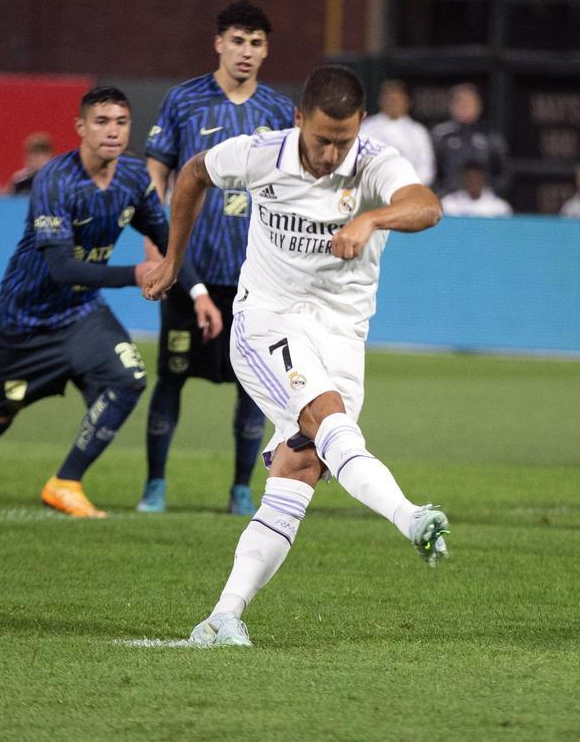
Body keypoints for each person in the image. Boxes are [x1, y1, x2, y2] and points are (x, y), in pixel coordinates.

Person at [140, 65, 451, 647]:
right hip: (268, 320)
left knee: (301, 466)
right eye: (323, 139)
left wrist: (371, 217)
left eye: (344, 140)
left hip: (341, 333)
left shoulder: (373, 163)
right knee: (326, 418)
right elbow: (193, 173)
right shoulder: (261, 154)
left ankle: (222, 617)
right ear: (299, 118)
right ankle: (410, 516)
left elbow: (426, 205)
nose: (332, 154)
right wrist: (174, 260)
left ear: (360, 125)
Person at [0, 86, 201, 516]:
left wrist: (197, 292)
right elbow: (62, 268)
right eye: (102, 122)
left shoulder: (133, 177)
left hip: (82, 314)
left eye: (121, 122)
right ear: (81, 127)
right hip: (25, 320)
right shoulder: (56, 180)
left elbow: (166, 239)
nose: (113, 131)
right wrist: (134, 274)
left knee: (128, 379)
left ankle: (65, 482)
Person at [137, 0, 296, 516]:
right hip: (189, 269)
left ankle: (241, 490)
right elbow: (157, 172)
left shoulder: (279, 111)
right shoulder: (183, 100)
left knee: (254, 386)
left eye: (256, 43)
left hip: (256, 275)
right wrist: (155, 245)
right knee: (172, 375)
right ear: (219, 44)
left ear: (266, 50)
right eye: (237, 40)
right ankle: (154, 486)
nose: (246, 51)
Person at [431, 83, 510, 197]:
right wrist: (441, 194)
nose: (464, 105)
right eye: (460, 102)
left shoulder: (490, 135)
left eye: (470, 102)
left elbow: (503, 171)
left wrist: (490, 194)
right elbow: (431, 170)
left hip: (483, 199)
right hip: (449, 199)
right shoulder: (440, 134)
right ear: (451, 106)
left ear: (479, 106)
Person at [359, 79, 435, 187]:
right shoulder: (367, 128)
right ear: (381, 101)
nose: (393, 104)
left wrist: (408, 187)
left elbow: (426, 168)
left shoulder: (418, 131)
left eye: (397, 100)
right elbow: (359, 162)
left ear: (407, 102)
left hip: (410, 189)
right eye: (389, 99)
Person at [440, 161, 513, 217]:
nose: (474, 181)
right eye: (470, 178)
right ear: (463, 179)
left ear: (484, 179)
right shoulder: (448, 204)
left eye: (477, 178)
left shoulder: (500, 207)